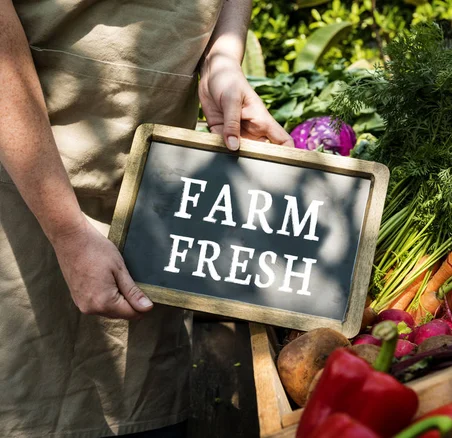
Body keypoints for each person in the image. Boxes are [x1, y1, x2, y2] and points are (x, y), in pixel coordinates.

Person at [0, 0, 293, 437]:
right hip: (31, 181)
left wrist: (223, 54)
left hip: (154, 185)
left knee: (143, 404)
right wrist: (66, 231)